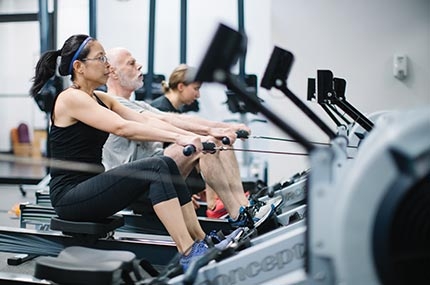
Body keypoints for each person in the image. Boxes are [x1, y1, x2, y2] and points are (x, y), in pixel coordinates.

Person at [29, 34, 241, 271]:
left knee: (166, 164)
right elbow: (123, 127)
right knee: (156, 166)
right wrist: (180, 138)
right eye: (100, 58)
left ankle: (201, 241)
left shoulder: (100, 97)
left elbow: (146, 118)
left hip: (93, 186)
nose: (107, 64)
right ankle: (188, 252)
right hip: (70, 196)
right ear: (79, 67)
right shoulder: (70, 99)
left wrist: (198, 135)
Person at [100, 47, 280, 229]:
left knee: (217, 141)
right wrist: (208, 131)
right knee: (205, 144)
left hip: (156, 168)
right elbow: (165, 119)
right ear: (113, 72)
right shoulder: (110, 102)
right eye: (131, 63)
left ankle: (245, 207)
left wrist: (224, 128)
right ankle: (236, 215)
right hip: (133, 183)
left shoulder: (137, 103)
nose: (139, 66)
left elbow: (178, 118)